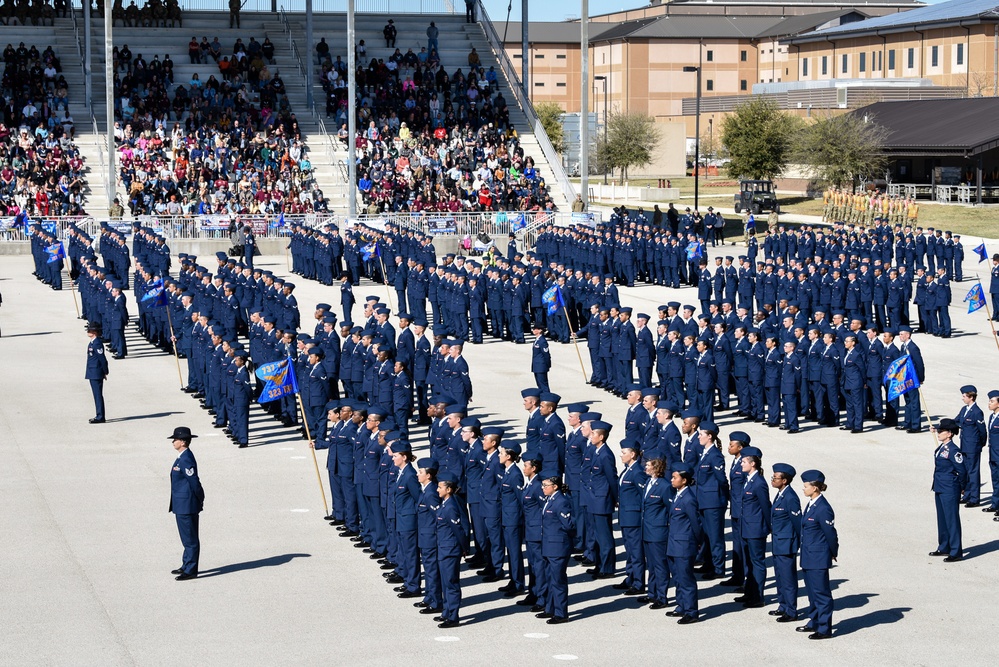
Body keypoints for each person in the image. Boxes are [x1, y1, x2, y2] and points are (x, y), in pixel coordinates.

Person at [798, 469, 839, 639]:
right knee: (812, 593)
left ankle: (824, 628)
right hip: (808, 556)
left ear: (815, 488)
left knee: (821, 594)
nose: (803, 488)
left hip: (818, 557)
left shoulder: (823, 508)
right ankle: (813, 621)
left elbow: (830, 533)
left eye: (806, 486)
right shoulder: (812, 504)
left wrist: (833, 552)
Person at [928, 418, 968, 561]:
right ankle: (944, 546)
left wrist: (962, 486)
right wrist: (933, 430)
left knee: (952, 520)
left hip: (950, 488)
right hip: (939, 486)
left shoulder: (954, 450)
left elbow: (962, 471)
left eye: (941, 431)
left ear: (949, 433)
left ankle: (956, 551)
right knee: (942, 519)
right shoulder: (942, 448)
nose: (938, 432)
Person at [168, 426, 205, 581]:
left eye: (175, 439)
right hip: (182, 503)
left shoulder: (186, 458)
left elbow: (194, 481)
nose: (173, 442)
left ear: (182, 442)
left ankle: (191, 570)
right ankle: (186, 564)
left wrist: (199, 498)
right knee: (186, 537)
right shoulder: (181, 456)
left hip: (187, 504)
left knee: (190, 539)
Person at [434, 471, 469, 628]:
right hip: (444, 548)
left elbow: (459, 530)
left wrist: (464, 548)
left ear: (448, 489)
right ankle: (447, 611)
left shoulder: (451, 507)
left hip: (450, 550)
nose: (437, 490)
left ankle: (453, 616)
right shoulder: (445, 504)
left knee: (451, 583)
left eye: (440, 487)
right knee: (445, 582)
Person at [666, 461, 700, 624]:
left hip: (684, 545)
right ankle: (681, 606)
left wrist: (696, 543)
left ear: (684, 480)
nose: (672, 480)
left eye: (675, 477)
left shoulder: (688, 499)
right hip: (674, 544)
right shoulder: (678, 495)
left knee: (686, 579)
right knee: (678, 578)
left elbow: (696, 524)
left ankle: (691, 611)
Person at [737, 445, 771, 608]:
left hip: (756, 529)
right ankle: (749, 592)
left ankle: (758, 596)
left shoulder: (759, 483)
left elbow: (765, 507)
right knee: (748, 562)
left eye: (743, 461)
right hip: (747, 528)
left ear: (753, 464)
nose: (741, 464)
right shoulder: (749, 480)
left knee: (757, 562)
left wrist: (768, 527)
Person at [539, 473, 574, 624]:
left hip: (557, 547)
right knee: (550, 579)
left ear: (555, 487)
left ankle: (561, 613)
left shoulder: (561, 502)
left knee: (558, 581)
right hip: (549, 546)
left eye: (545, 486)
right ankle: (550, 608)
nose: (543, 488)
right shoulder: (550, 499)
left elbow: (569, 525)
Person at [770, 462, 801, 623]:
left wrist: (796, 542)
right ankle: (783, 605)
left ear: (785, 480)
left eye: (776, 478)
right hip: (778, 542)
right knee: (780, 576)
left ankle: (791, 610)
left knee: (788, 579)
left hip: (786, 544)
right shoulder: (781, 493)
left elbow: (797, 523)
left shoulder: (790, 497)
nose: (773, 480)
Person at [955, 385, 986, 507]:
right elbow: (956, 421)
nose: (962, 398)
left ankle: (974, 498)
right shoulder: (964, 410)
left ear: (971, 397)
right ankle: (967, 494)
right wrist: (940, 427)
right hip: (964, 446)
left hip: (973, 447)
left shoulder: (977, 412)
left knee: (973, 472)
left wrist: (980, 445)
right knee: (966, 471)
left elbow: (982, 431)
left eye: (964, 396)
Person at [85, 322, 109, 423]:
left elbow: (102, 359)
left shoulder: (97, 343)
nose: (87, 332)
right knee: (96, 395)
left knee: (98, 395)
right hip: (92, 371)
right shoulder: (92, 342)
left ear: (94, 332)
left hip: (96, 372)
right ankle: (99, 414)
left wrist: (105, 371)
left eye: (89, 330)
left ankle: (100, 416)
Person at [531, 322, 551, 392]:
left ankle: (547, 400)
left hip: (541, 366)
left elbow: (546, 354)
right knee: (539, 385)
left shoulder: (542, 341)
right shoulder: (537, 340)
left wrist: (547, 365)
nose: (533, 330)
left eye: (535, 329)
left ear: (540, 330)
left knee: (543, 385)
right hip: (537, 366)